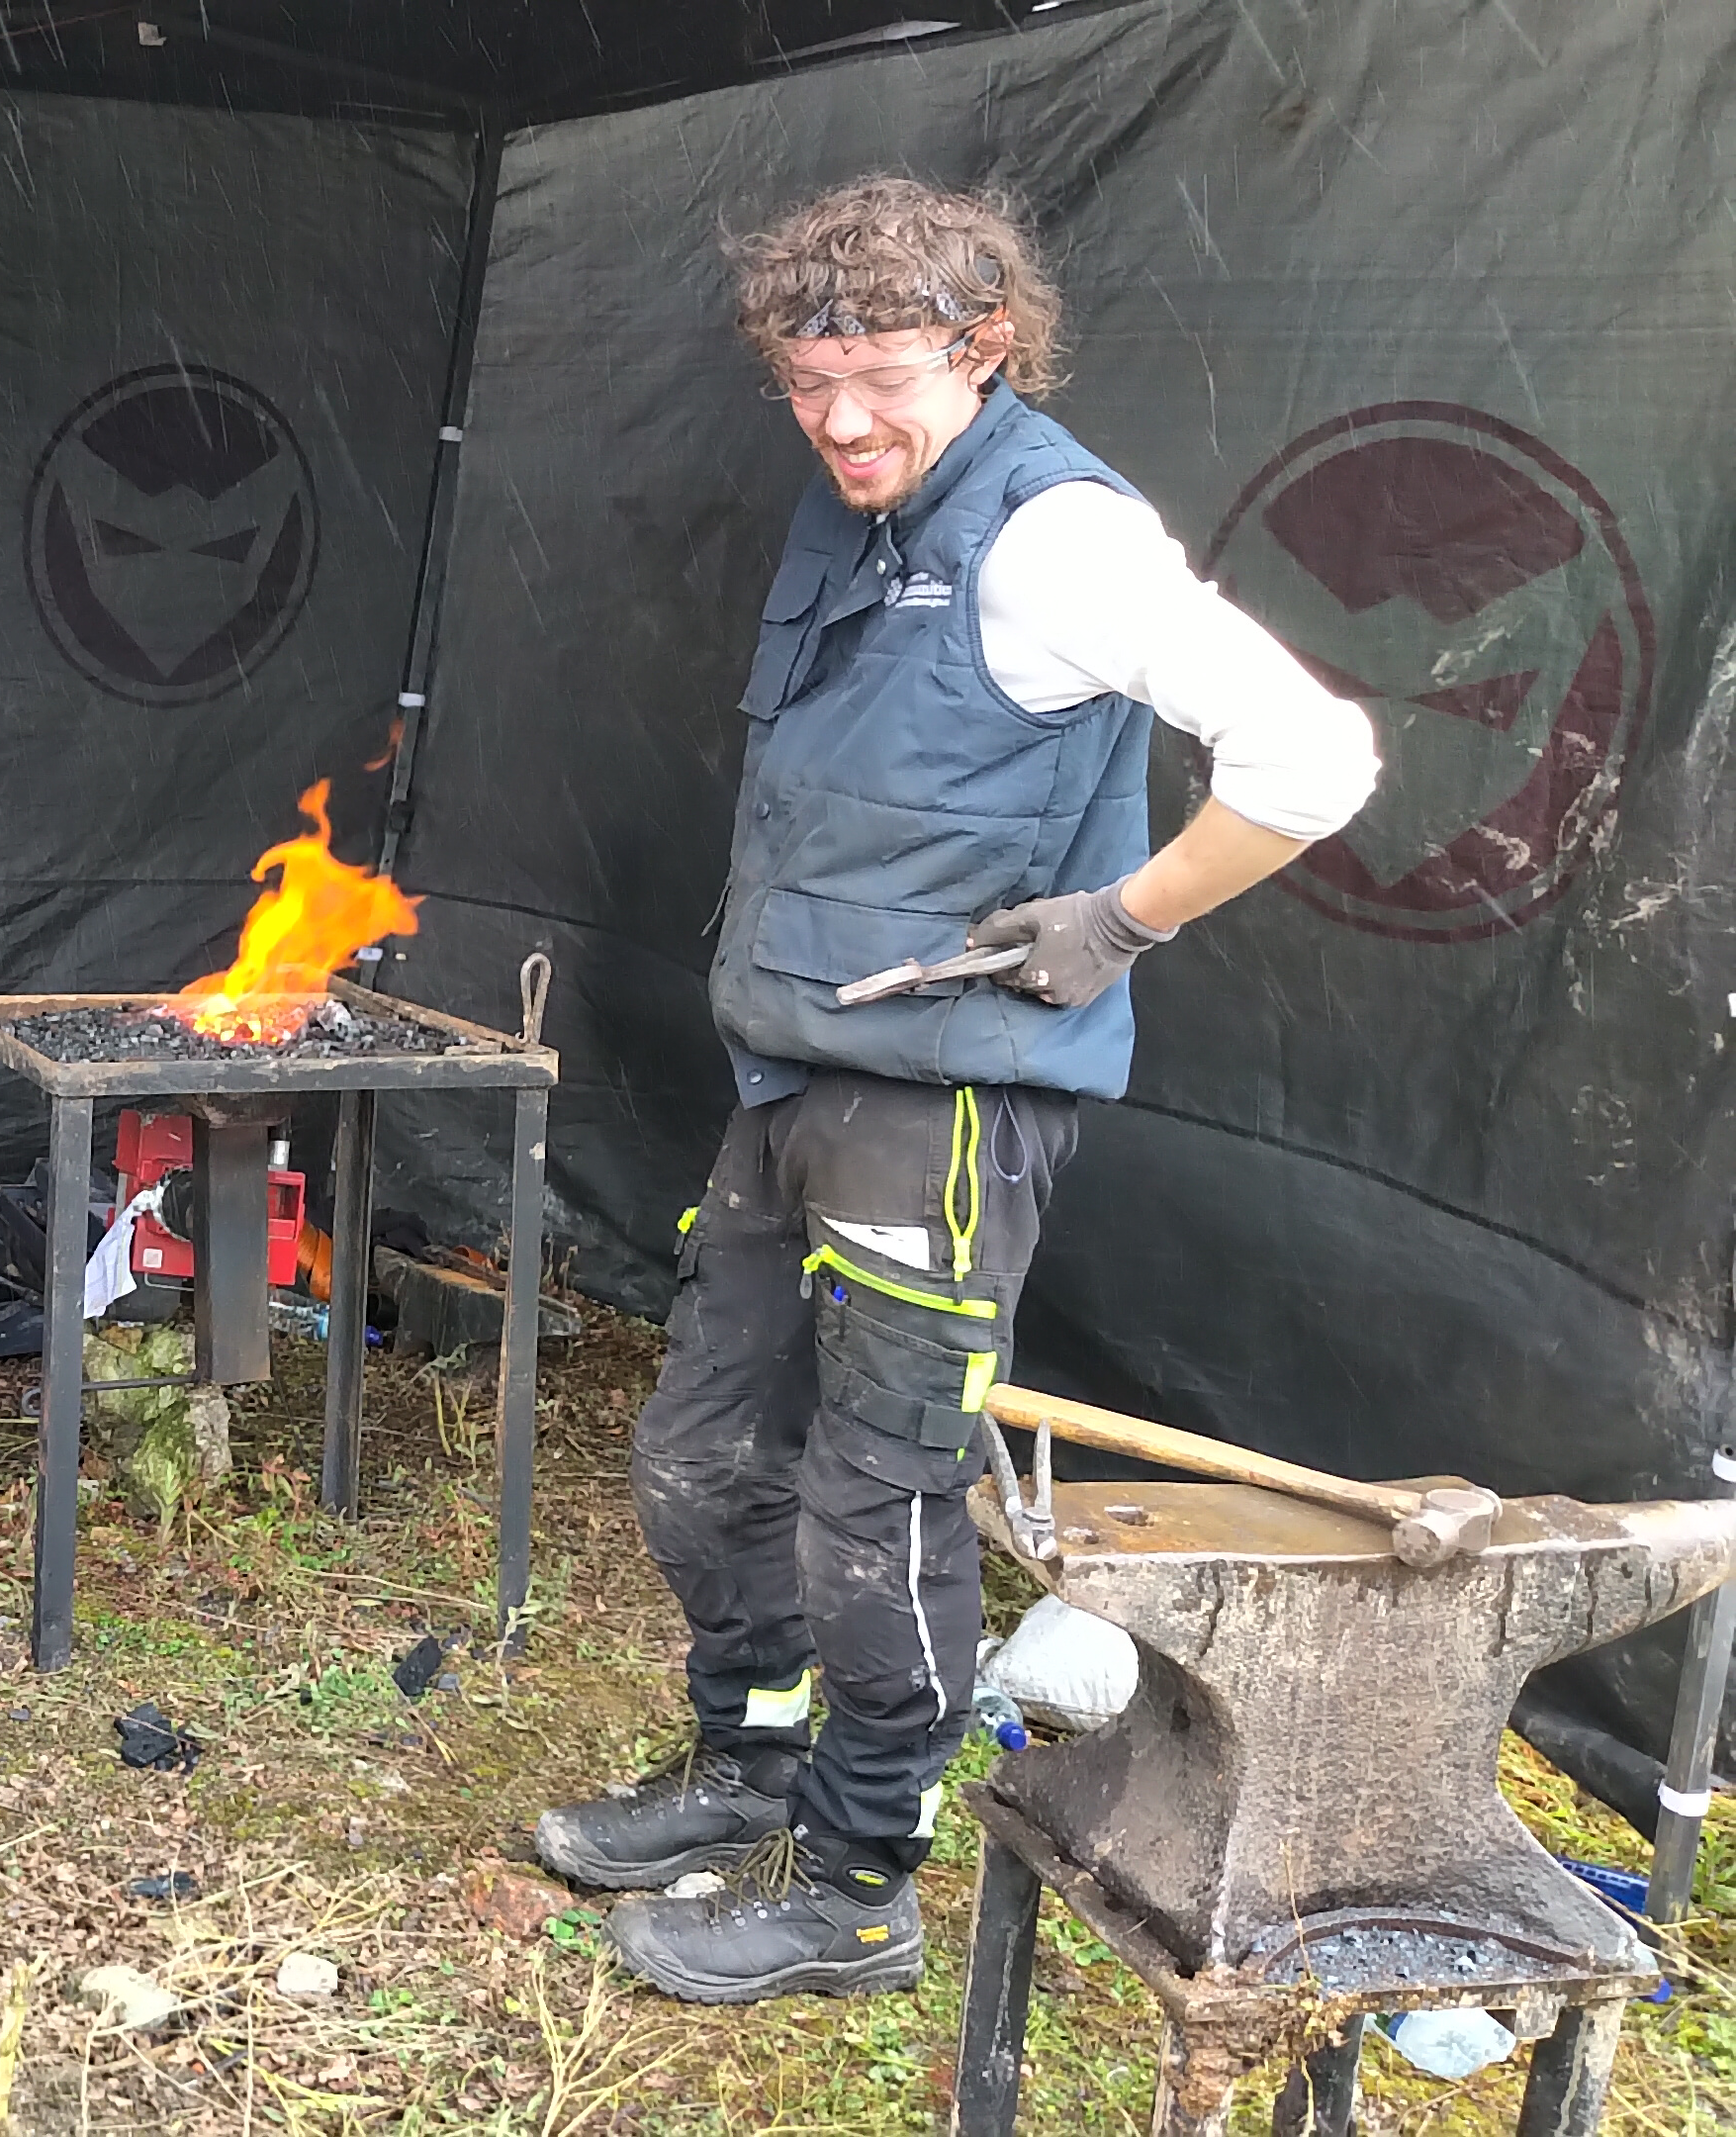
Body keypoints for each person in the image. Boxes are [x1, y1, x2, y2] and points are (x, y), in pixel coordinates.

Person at [532, 177, 1381, 2002]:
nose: (842, 420)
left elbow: (1315, 755)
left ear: (985, 347)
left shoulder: (1056, 537)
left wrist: (1124, 918)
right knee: (704, 1456)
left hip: (949, 1106)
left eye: (884, 378)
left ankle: (858, 1881)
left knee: (876, 1501)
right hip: (801, 1071)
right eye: (807, 381)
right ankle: (750, 1765)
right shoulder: (871, 510)